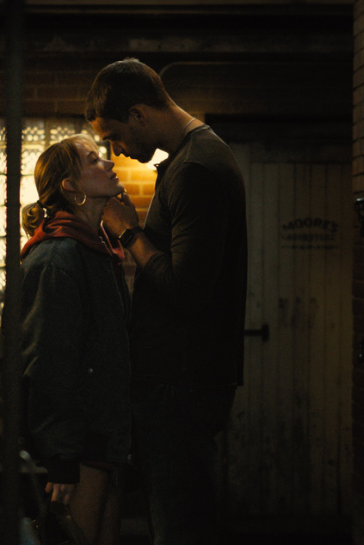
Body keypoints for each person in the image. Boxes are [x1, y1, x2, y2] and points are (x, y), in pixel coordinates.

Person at [85, 58, 248, 545]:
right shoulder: (192, 158)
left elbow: (185, 289)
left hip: (181, 381)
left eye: (115, 135)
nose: (116, 150)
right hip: (183, 378)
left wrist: (128, 232)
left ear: (138, 114)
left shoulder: (195, 168)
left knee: (180, 528)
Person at [19, 134, 131, 545]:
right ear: (70, 186)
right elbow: (48, 361)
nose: (109, 164)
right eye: (93, 160)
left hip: (102, 442)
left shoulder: (96, 250)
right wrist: (61, 457)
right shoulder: (57, 257)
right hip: (80, 448)